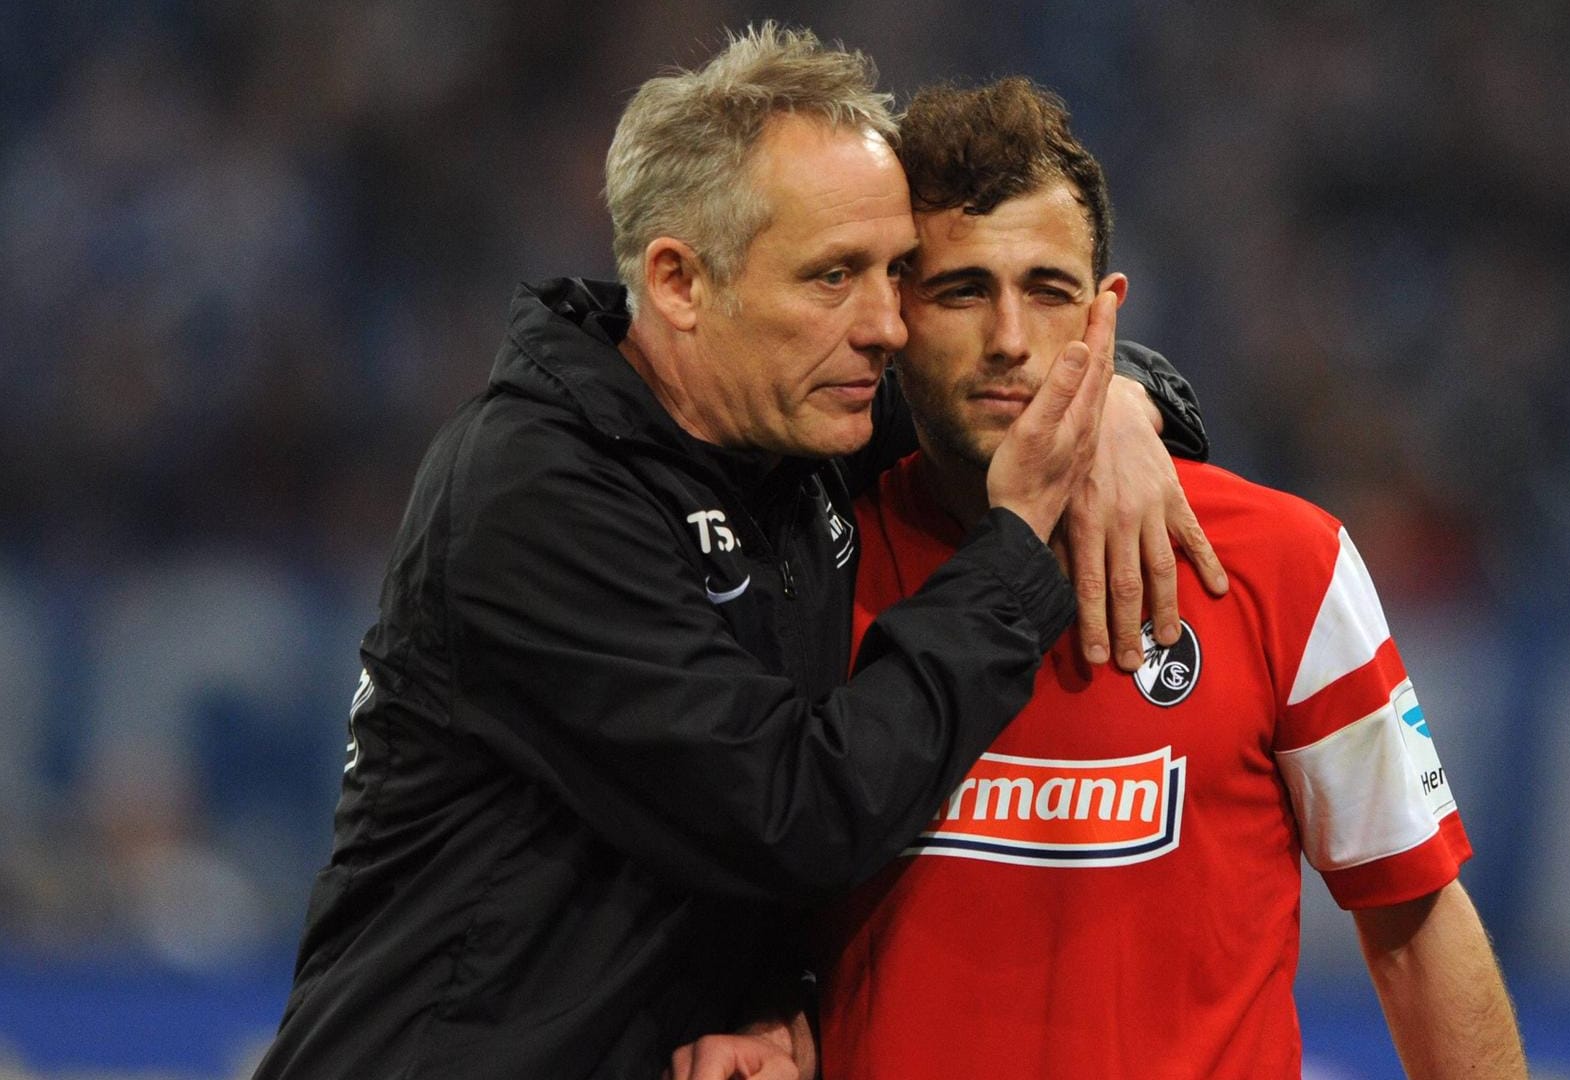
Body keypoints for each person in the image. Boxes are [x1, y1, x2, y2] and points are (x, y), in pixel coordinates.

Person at [254, 27, 1224, 1080]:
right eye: (833, 276)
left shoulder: (794, 423)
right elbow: (796, 812)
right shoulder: (537, 492)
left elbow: (996, 387)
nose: (887, 327)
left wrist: (1121, 403)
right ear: (678, 281)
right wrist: (1019, 542)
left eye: (897, 273)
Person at [674, 77, 1525, 1080]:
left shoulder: (1282, 565)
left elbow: (1416, 922)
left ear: (1105, 310)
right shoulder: (807, 570)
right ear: (894, 310)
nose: (1010, 340)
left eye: (1047, 290)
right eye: (961, 291)